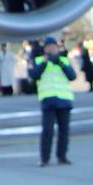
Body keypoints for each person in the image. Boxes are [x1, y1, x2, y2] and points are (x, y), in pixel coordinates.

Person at [31, 37, 76, 166]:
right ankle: (44, 158)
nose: (51, 48)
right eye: (48, 46)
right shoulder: (39, 61)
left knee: (64, 131)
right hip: (48, 99)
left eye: (53, 46)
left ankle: (62, 156)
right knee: (47, 131)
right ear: (44, 49)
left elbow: (72, 76)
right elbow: (34, 74)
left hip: (64, 99)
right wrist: (45, 62)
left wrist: (60, 63)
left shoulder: (63, 60)